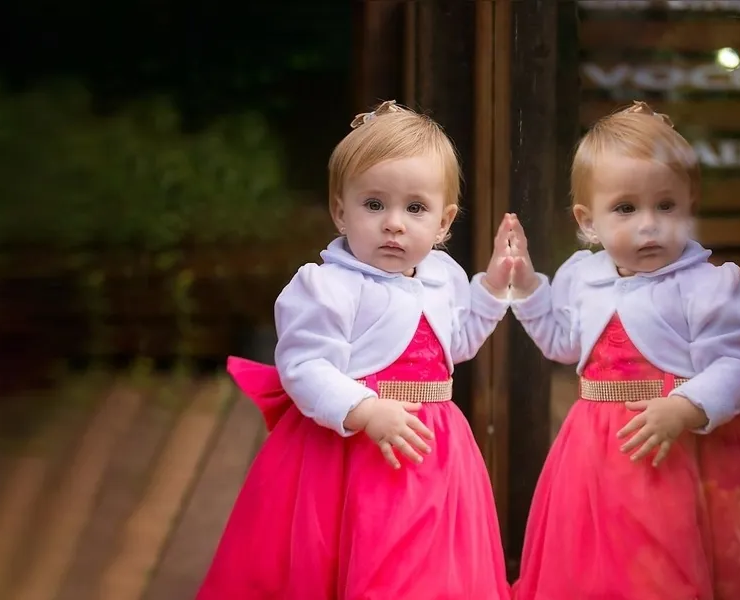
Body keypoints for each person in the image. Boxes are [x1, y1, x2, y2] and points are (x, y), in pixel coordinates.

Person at [507, 101, 740, 599]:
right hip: (589, 453)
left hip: (668, 450)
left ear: (689, 207)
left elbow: (736, 362)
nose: (649, 224)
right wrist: (529, 290)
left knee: (661, 563)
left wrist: (685, 406)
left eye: (667, 206)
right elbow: (564, 344)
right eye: (626, 208)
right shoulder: (583, 276)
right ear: (588, 220)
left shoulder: (706, 287)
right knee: (588, 563)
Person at [196, 100, 513, 600]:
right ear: (340, 210)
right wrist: (364, 409)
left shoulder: (443, 279)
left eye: (415, 208)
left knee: (430, 569)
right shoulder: (328, 287)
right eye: (373, 205)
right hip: (349, 455)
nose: (394, 223)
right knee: (365, 557)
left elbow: (455, 345)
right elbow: (304, 365)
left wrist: (492, 291)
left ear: (444, 221)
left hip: (433, 449)